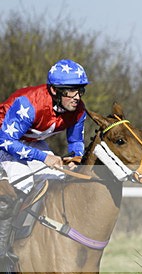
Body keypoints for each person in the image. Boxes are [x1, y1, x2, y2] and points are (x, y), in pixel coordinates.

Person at [0, 59, 90, 262]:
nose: (77, 97)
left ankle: (43, 241)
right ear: (54, 90)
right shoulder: (28, 104)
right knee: (21, 182)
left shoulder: (78, 111)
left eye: (80, 90)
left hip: (29, 141)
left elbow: (75, 141)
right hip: (4, 140)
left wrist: (76, 158)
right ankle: (2, 251)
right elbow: (6, 140)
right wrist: (43, 157)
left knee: (60, 178)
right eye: (71, 91)